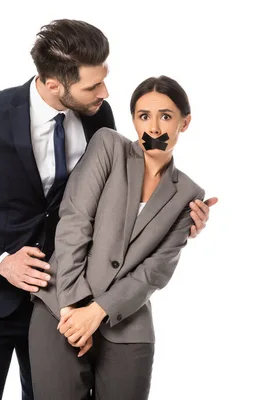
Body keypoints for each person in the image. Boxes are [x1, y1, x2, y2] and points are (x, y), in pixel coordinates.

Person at [0, 19, 216, 400]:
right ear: (53, 85)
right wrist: (1, 262)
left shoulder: (99, 117)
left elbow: (117, 201)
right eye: (92, 85)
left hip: (57, 301)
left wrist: (179, 218)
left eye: (104, 78)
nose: (105, 92)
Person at [29, 75, 208, 399]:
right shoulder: (108, 147)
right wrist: (74, 311)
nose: (154, 128)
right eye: (144, 116)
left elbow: (155, 270)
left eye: (165, 115)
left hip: (127, 325)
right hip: (60, 309)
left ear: (185, 122)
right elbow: (74, 223)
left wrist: (96, 312)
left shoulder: (190, 195)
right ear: (134, 120)